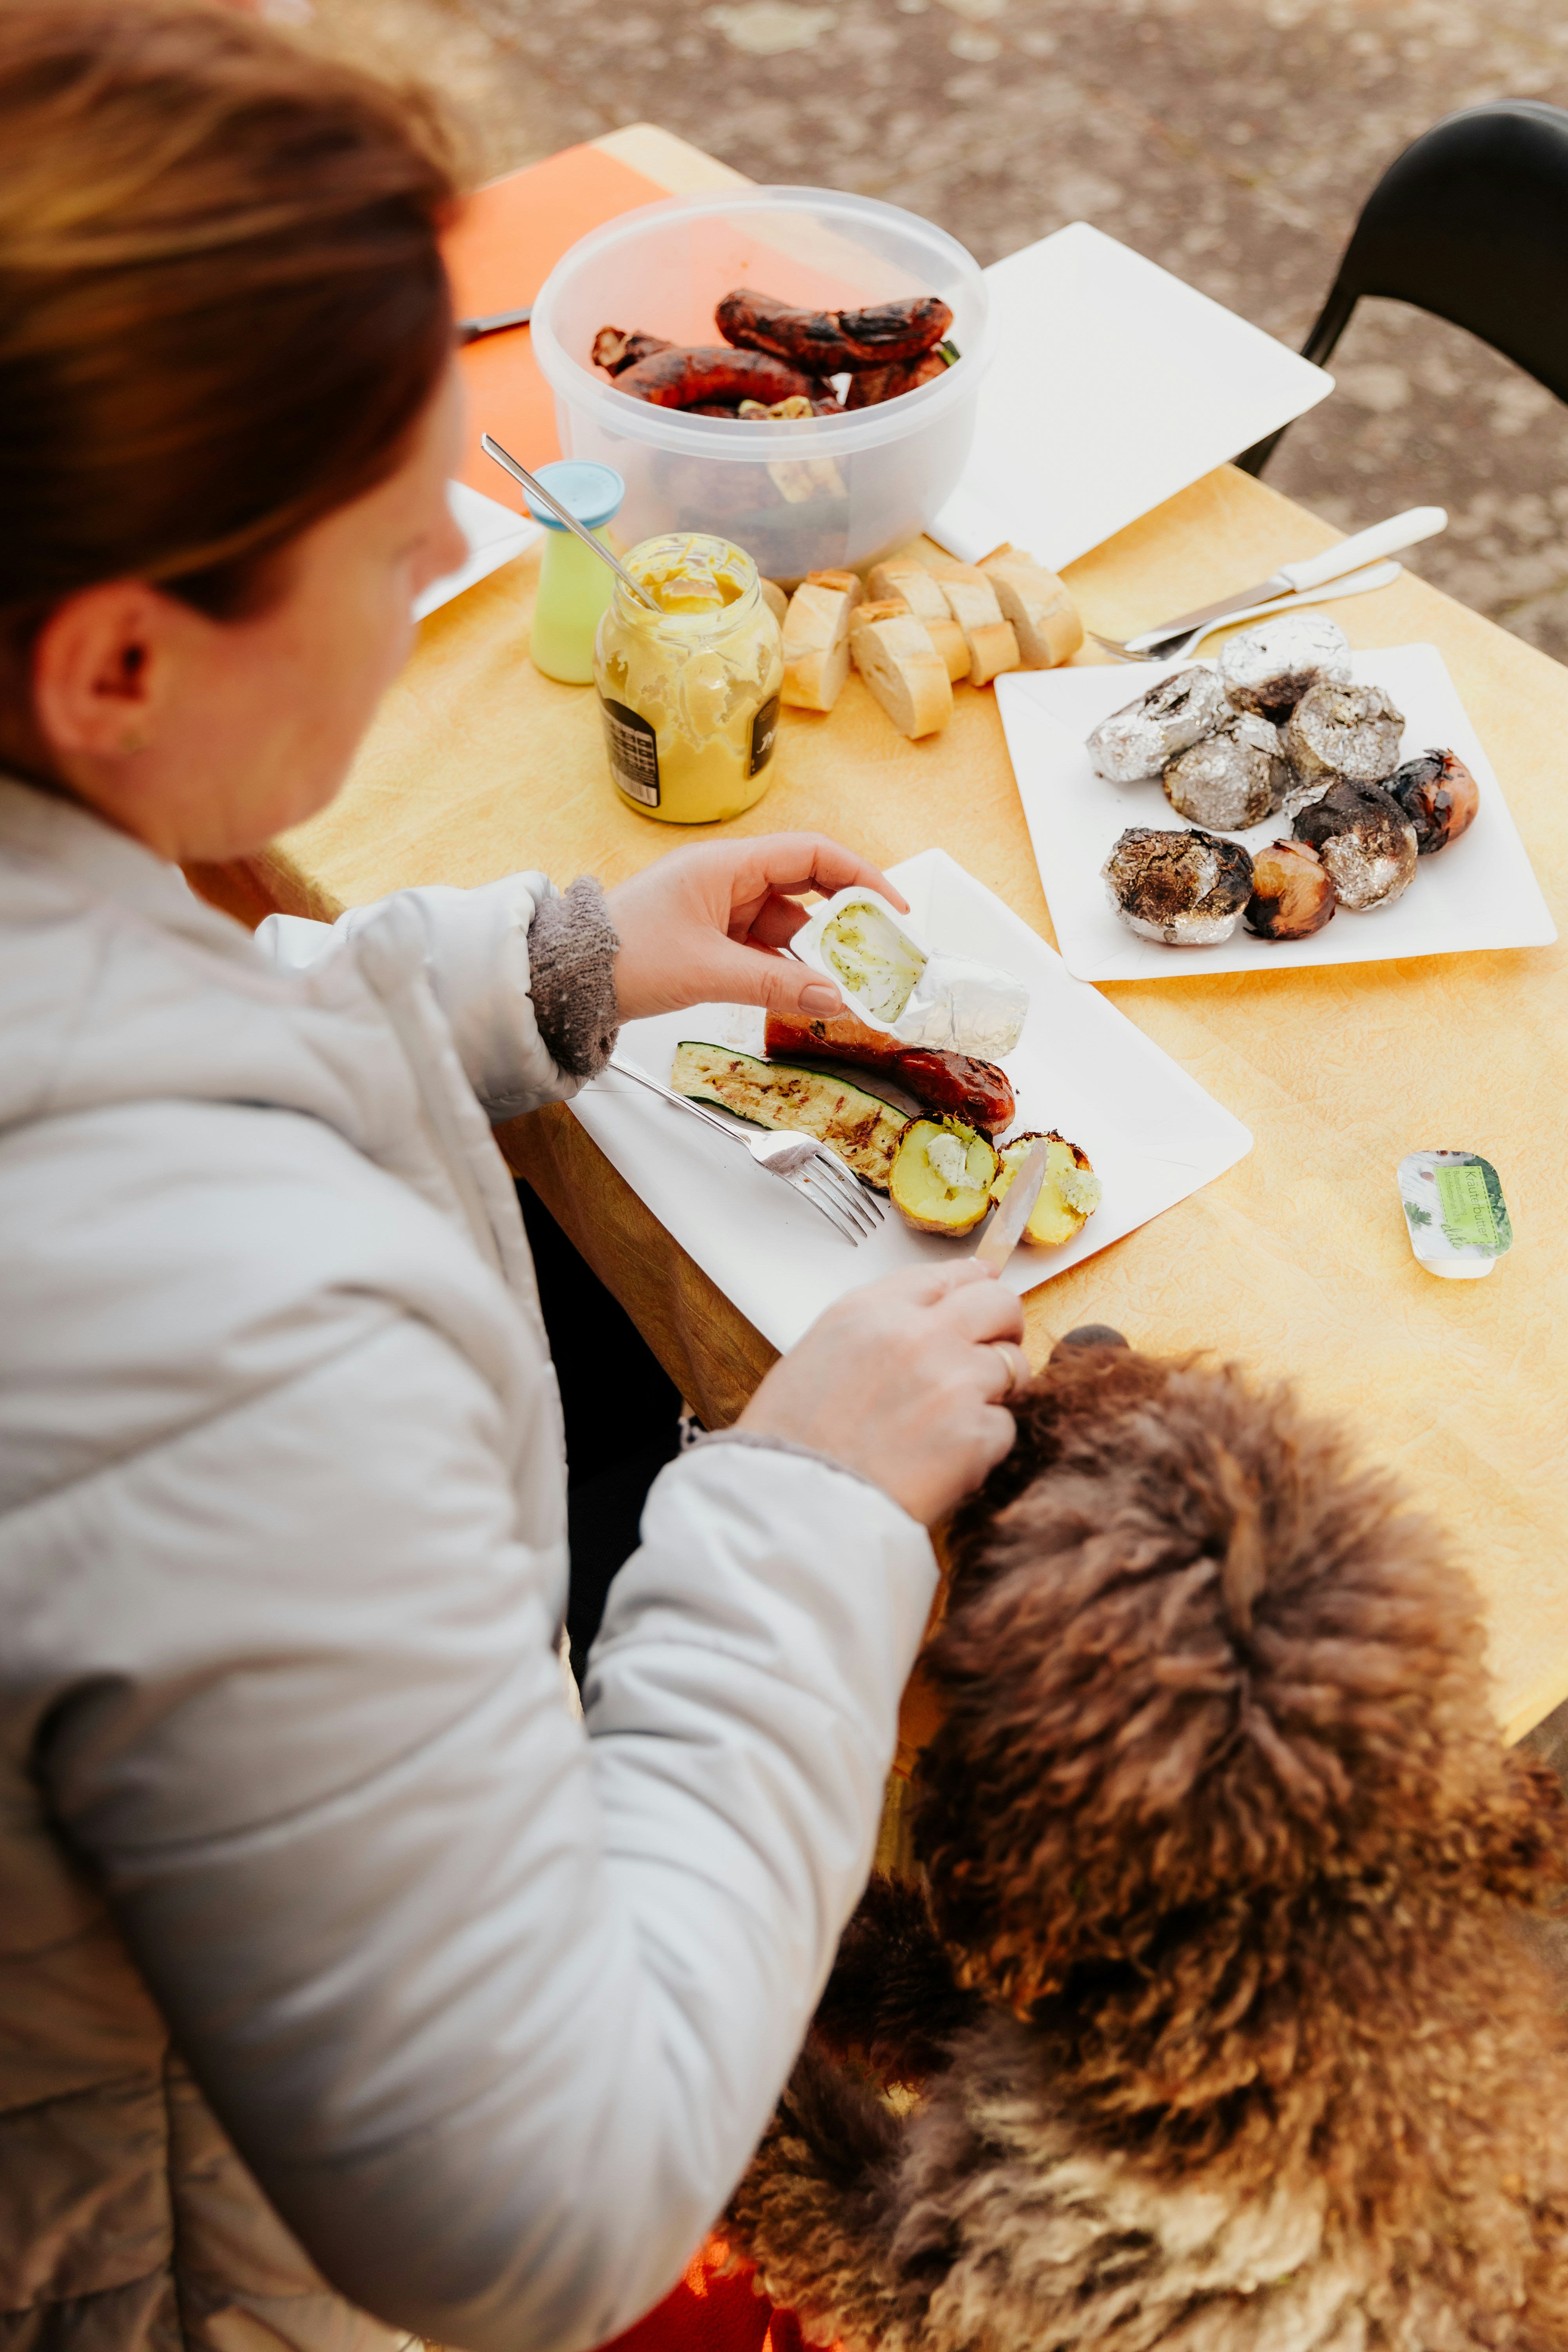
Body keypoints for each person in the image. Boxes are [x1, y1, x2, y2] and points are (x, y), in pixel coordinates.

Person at [0, 8, 1028, 2349]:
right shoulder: (211, 1356)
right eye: (395, 544)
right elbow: (539, 2215)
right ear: (123, 663)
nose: (448, 563)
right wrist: (810, 1512)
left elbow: (120, 1012)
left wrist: (556, 959)